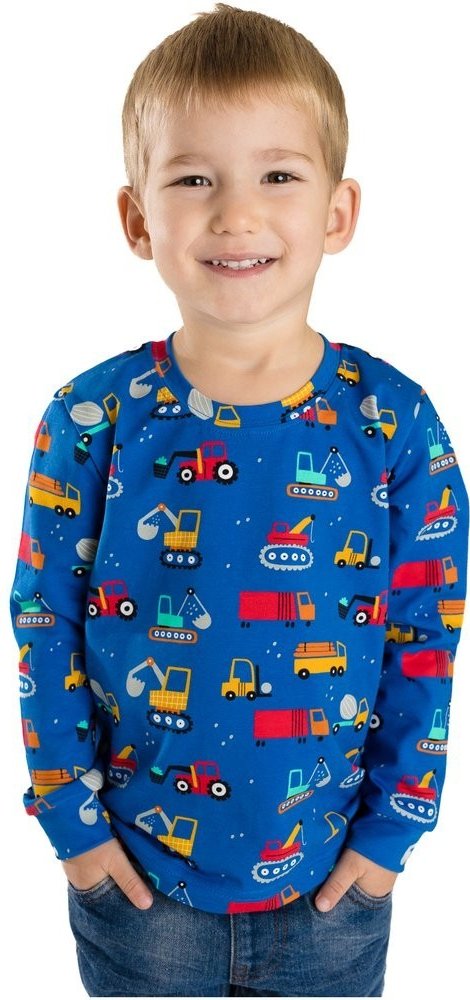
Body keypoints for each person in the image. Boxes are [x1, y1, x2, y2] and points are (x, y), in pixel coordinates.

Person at [9, 4, 468, 996]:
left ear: (337, 213)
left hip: (331, 886)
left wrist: (390, 838)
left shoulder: (394, 422)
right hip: (136, 887)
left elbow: (426, 637)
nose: (235, 214)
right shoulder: (90, 418)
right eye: (192, 179)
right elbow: (44, 624)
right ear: (137, 220)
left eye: (277, 176)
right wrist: (75, 833)